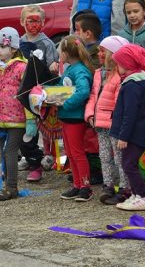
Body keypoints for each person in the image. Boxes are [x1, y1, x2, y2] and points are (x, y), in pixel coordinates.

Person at [84, 36, 131, 206]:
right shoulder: (98, 74)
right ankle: (108, 185)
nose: (100, 53)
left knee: (119, 157)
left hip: (113, 123)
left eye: (104, 51)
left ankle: (125, 188)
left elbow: (120, 101)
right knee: (104, 156)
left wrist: (116, 121)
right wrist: (89, 114)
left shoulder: (120, 75)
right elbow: (92, 96)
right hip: (99, 123)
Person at [0, 28, 29, 200]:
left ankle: (12, 187)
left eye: (1, 47)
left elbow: (27, 94)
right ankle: (6, 182)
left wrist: (31, 120)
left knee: (10, 151)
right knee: (3, 152)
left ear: (13, 49)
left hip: (17, 119)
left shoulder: (21, 68)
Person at [18, 4, 60, 182]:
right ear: (22, 22)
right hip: (22, 89)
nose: (34, 24)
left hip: (40, 92)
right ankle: (29, 156)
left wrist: (52, 67)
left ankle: (43, 159)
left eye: (38, 21)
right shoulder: (19, 42)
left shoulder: (47, 43)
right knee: (25, 126)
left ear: (43, 22)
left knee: (40, 124)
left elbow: (53, 68)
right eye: (30, 20)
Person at [111, 44, 145, 211]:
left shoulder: (132, 86)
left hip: (134, 134)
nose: (117, 67)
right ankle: (136, 194)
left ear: (128, 64)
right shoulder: (137, 81)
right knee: (127, 163)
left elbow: (130, 114)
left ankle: (143, 197)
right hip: (136, 133)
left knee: (129, 164)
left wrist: (124, 136)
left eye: (119, 63)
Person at [54, 35, 94, 202]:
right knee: (70, 153)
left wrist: (67, 104)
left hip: (75, 117)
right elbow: (63, 87)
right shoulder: (71, 69)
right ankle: (77, 185)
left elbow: (83, 91)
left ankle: (85, 187)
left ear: (65, 53)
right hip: (67, 117)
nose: (59, 57)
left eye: (60, 53)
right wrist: (47, 92)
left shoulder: (80, 70)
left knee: (77, 153)